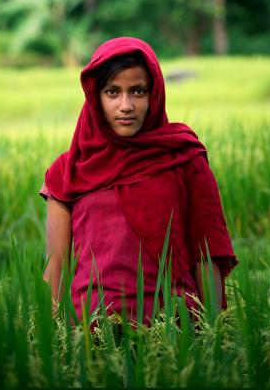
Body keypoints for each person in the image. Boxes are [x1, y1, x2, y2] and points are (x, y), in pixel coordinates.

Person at [39, 37, 238, 325]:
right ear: (96, 98)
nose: (126, 105)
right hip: (91, 335)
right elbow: (56, 264)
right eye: (112, 92)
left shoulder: (183, 158)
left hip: (173, 333)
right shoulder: (68, 171)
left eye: (137, 91)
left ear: (153, 94)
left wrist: (214, 335)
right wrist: (55, 341)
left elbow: (205, 256)